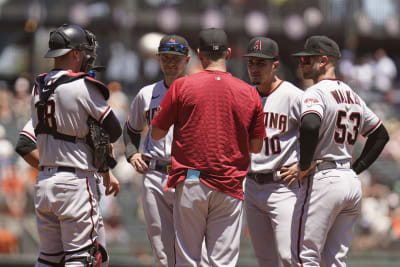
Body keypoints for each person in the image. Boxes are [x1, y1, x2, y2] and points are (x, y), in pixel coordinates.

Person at [151, 28, 266, 267]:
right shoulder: (249, 92)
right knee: (222, 262)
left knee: (187, 260)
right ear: (229, 53)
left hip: (192, 179)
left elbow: (157, 132)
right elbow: (256, 147)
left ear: (199, 54)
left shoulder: (182, 86)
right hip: (230, 184)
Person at [291, 35, 390, 266]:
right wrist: (357, 168)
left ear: (323, 61)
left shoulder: (315, 92)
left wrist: (304, 165)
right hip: (349, 181)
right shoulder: (352, 94)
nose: (301, 63)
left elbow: (311, 124)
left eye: (307, 59)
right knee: (335, 260)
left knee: (304, 257)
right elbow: (380, 135)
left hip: (323, 180)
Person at [30, 24, 122, 267]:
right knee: (84, 258)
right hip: (74, 183)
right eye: (85, 52)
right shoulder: (82, 85)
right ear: (75, 54)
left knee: (48, 259)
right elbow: (114, 129)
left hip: (44, 183)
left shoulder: (37, 87)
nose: (88, 57)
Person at [124, 34, 208, 267]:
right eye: (165, 57)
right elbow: (131, 130)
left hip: (190, 173)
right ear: (158, 59)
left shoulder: (200, 92)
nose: (170, 62)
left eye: (176, 58)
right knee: (162, 253)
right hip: (155, 173)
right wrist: (132, 154)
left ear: (187, 59)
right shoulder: (146, 94)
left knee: (193, 250)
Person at [15, 119, 120, 266]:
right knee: (85, 257)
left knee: (49, 258)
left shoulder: (43, 104)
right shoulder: (80, 101)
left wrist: (51, 169)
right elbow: (103, 139)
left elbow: (24, 144)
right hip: (77, 187)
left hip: (48, 186)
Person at [243, 37, 303, 267]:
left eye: (261, 63)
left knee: (289, 256)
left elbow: (320, 130)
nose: (255, 68)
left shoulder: (293, 95)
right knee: (265, 260)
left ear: (275, 65)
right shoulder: (246, 95)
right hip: (251, 184)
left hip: (283, 186)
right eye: (252, 63)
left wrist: (304, 164)